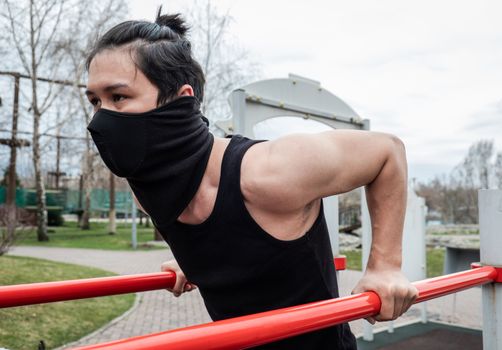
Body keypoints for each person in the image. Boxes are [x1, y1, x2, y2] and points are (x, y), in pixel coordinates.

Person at [85, 10, 419, 350]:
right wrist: (194, 260)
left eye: (118, 97)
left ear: (180, 99)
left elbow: (387, 151)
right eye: (95, 101)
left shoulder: (268, 172)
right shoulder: (151, 194)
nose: (100, 118)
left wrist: (385, 266)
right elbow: (227, 236)